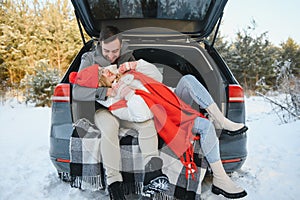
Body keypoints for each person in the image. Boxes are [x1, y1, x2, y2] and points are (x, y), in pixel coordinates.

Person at [73, 59, 248, 199]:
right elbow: (142, 115)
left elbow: (156, 77)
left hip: (172, 99)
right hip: (165, 116)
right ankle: (220, 178)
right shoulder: (113, 101)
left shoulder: (125, 74)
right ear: (103, 84)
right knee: (206, 127)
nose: (109, 71)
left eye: (104, 69)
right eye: (104, 75)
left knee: (188, 79)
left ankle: (222, 120)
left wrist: (136, 65)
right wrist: (128, 93)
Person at [72, 26, 169, 200]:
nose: (111, 55)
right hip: (103, 109)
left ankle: (152, 173)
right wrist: (104, 92)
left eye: (115, 51)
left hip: (126, 106)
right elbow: (76, 92)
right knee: (110, 127)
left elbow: (141, 78)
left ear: (121, 45)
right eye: (106, 51)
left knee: (147, 123)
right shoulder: (89, 59)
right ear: (99, 44)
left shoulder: (127, 56)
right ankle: (114, 184)